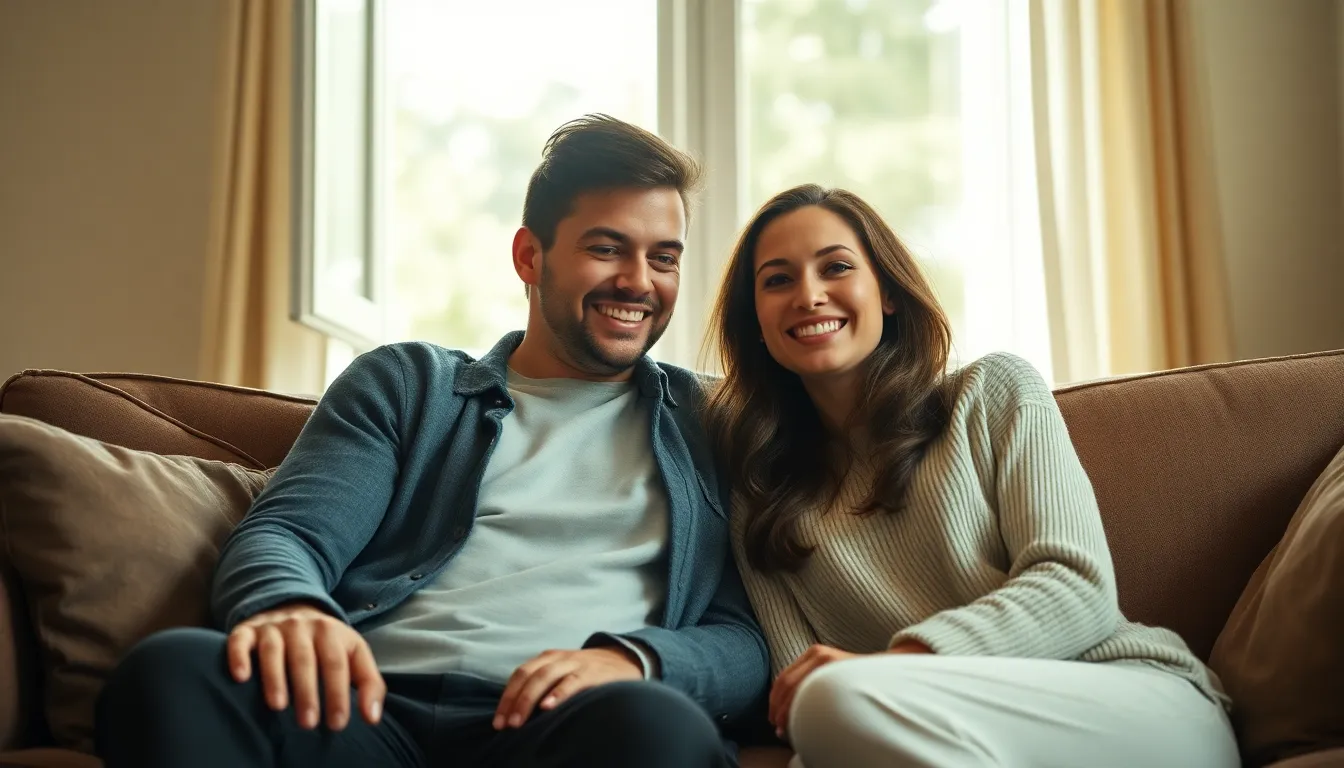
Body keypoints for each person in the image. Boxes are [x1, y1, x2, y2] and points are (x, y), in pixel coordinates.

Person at [95, 115, 768, 768]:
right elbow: (289, 534)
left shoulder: (714, 422)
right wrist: (290, 606)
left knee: (658, 727)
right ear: (530, 256)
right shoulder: (410, 385)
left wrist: (633, 660)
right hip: (362, 715)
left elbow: (743, 636)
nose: (639, 281)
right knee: (172, 672)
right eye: (606, 248)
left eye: (664, 258)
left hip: (565, 730)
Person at [703, 183, 1240, 768]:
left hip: (1131, 702)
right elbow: (798, 688)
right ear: (755, 320)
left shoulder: (993, 392)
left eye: (835, 267)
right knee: (822, 724)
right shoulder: (760, 488)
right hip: (939, 733)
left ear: (886, 292)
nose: (808, 295)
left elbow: (1077, 590)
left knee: (835, 700)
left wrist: (899, 664)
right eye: (777, 280)